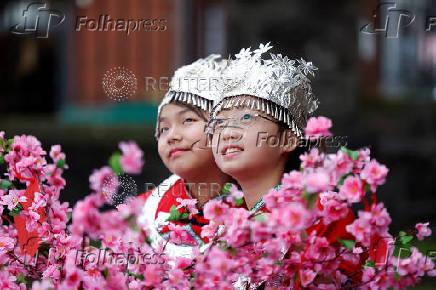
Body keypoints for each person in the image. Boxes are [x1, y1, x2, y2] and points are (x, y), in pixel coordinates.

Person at [207, 43, 357, 287]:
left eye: (246, 117)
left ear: (287, 139)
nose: (227, 132)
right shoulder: (222, 224)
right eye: (219, 123)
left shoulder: (321, 211)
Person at [137, 55, 236, 258]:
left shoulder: (256, 204)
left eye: (188, 120)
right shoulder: (143, 210)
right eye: (163, 128)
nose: (171, 136)